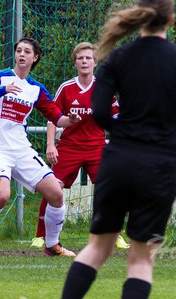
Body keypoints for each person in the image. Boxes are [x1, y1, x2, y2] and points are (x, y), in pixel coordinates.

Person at [41, 0, 176, 299]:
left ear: (138, 16)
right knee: (140, 257)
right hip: (159, 167)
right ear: (170, 19)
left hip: (117, 161)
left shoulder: (117, 57)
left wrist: (123, 136)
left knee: (97, 247)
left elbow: (99, 113)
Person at [0, 38, 73, 258]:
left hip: (21, 150)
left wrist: (72, 120)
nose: (21, 54)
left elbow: (56, 118)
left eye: (27, 51)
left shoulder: (36, 89)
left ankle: (52, 245)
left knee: (56, 193)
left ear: (35, 58)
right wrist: (3, 90)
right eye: (19, 50)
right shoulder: (0, 77)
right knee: (2, 195)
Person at [37, 42, 129, 252]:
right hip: (69, 146)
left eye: (88, 58)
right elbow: (52, 118)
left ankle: (114, 235)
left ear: (95, 62)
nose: (84, 61)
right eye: (81, 58)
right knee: (53, 188)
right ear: (75, 63)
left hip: (96, 147)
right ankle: (42, 236)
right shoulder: (66, 88)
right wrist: (51, 144)